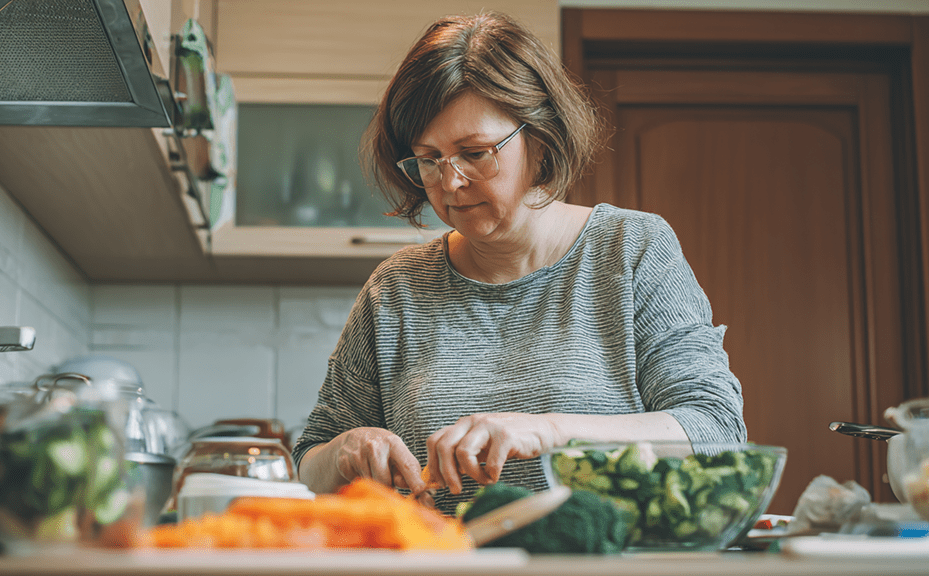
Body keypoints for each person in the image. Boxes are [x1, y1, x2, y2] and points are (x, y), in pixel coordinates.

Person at [291, 11, 746, 515]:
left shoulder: (632, 248)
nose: (450, 182)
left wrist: (548, 428)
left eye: (475, 152)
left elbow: (716, 430)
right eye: (428, 158)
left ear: (540, 137)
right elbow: (308, 467)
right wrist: (343, 451)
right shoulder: (397, 286)